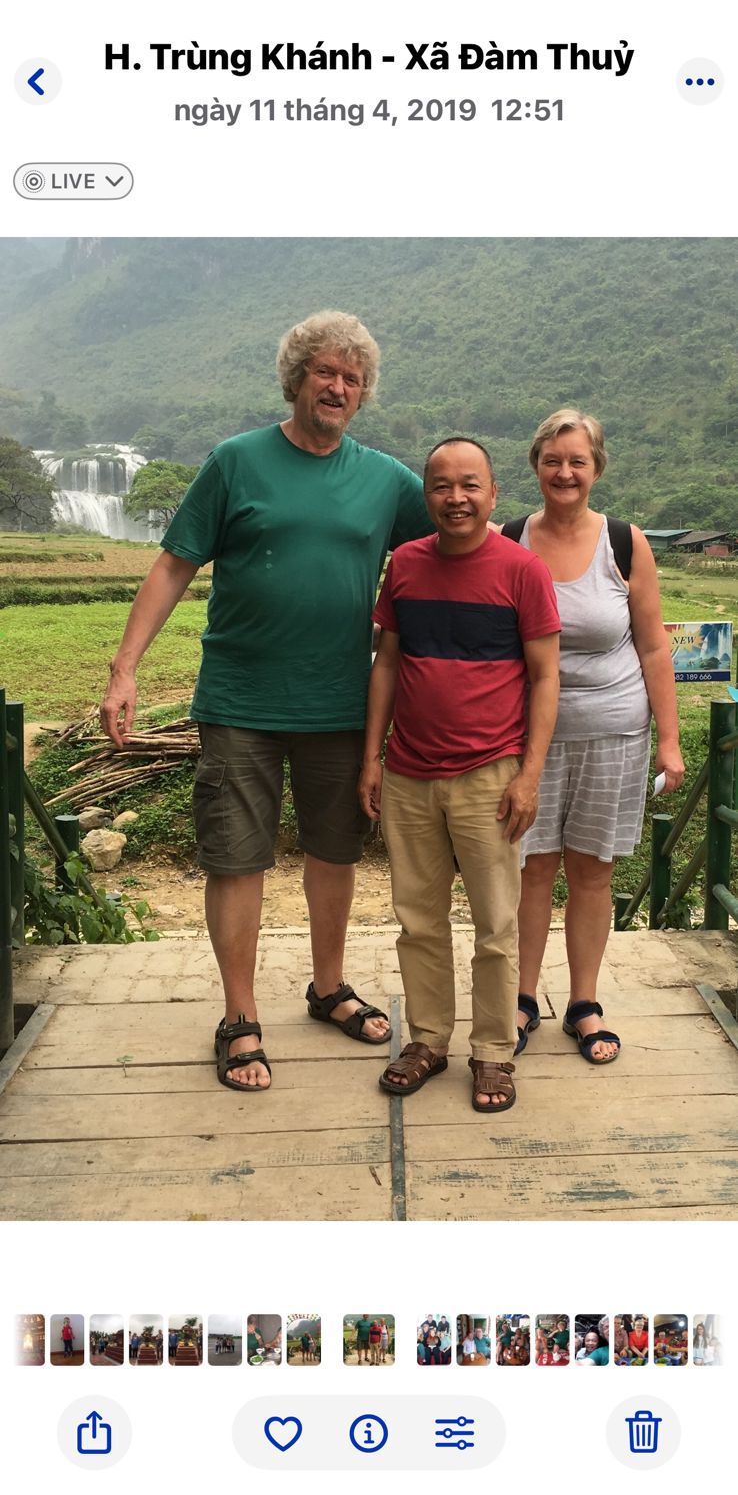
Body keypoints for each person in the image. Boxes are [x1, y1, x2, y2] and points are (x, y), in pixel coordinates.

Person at [100, 311, 433, 1093]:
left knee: (334, 851)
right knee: (236, 855)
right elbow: (175, 566)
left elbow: (459, 541)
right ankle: (240, 1016)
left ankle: (327, 988)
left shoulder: (386, 480)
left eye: (352, 378)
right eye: (325, 371)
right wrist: (123, 669)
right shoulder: (235, 461)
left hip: (339, 702)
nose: (338, 387)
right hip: (241, 699)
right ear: (295, 378)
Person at [359, 437, 560, 1111]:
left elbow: (544, 676)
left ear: (493, 494)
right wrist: (373, 757)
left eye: (469, 484)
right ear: (428, 497)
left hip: (489, 776)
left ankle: (494, 1053)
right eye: (442, 486)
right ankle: (428, 1040)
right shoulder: (406, 566)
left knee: (496, 924)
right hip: (411, 774)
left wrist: (528, 775)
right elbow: (387, 662)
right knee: (418, 919)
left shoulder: (522, 570)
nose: (456, 498)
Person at [503, 410, 684, 1064]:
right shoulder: (510, 537)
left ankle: (583, 1003)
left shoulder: (623, 542)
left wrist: (670, 741)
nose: (565, 472)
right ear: (536, 465)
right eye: (553, 460)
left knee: (592, 872)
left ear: (596, 468)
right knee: (529, 870)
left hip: (614, 733)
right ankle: (520, 999)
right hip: (529, 741)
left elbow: (654, 647)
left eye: (577, 461)